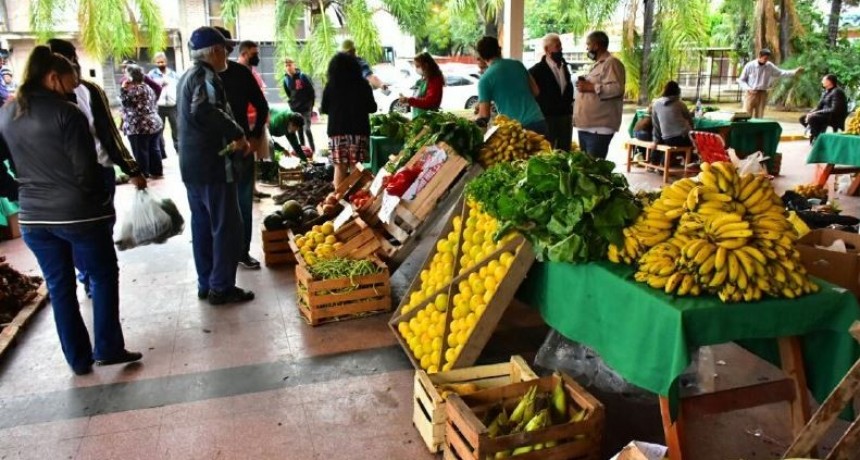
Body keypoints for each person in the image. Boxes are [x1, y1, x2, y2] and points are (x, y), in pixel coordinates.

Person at [0, 46, 142, 375]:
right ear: (53, 78)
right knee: (103, 275)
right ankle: (108, 348)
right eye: (70, 81)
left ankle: (78, 360)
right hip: (79, 215)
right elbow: (86, 171)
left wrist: (17, 191)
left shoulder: (7, 113)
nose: (73, 88)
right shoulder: (68, 113)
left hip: (34, 218)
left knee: (60, 287)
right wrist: (100, 202)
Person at [47, 38, 147, 298]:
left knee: (100, 231)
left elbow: (109, 134)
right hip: (60, 181)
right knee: (71, 237)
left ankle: (93, 275)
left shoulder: (89, 91)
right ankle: (88, 275)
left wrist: (131, 168)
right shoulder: (32, 102)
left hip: (98, 172)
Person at [177, 26, 254, 305]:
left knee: (203, 225)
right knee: (226, 226)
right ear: (215, 51)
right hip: (213, 165)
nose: (227, 56)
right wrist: (238, 133)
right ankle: (221, 287)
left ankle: (206, 282)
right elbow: (204, 111)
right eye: (225, 50)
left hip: (193, 166)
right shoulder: (205, 76)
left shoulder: (187, 76)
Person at [214, 28, 270, 270]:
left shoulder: (240, 73)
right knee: (218, 207)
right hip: (212, 155)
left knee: (242, 203)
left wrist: (255, 137)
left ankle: (241, 251)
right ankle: (222, 256)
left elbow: (262, 105)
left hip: (241, 150)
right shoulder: (198, 77)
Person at [320, 52, 377, 187]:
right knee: (356, 167)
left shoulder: (331, 85)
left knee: (339, 167)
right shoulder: (363, 85)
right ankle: (357, 198)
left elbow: (324, 109)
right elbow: (372, 107)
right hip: (358, 131)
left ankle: (337, 198)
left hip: (337, 132)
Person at [474, 36, 546, 134]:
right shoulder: (517, 64)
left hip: (516, 130)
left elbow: (484, 115)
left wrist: (475, 119)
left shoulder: (485, 79)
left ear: (482, 57)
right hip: (538, 120)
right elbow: (536, 91)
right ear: (499, 49)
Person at [573, 31, 626, 160]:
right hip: (587, 126)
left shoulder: (611, 63)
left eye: (588, 45)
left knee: (593, 167)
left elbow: (617, 89)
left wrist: (592, 87)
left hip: (598, 128)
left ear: (596, 45)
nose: (587, 49)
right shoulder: (598, 65)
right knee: (585, 168)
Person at [236, 40, 271, 201]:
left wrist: (265, 116)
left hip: (258, 120)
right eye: (254, 54)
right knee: (246, 156)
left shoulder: (253, 73)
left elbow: (261, 97)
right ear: (244, 54)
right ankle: (247, 192)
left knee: (255, 157)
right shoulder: (236, 72)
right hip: (246, 121)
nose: (257, 57)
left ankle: (254, 189)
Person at [529, 33, 574, 150]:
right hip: (547, 118)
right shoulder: (536, 71)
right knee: (548, 151)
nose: (561, 49)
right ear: (546, 49)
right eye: (557, 46)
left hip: (565, 116)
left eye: (561, 46)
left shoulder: (564, 67)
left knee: (565, 151)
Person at [120, 65, 164, 178]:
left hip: (139, 125)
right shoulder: (147, 87)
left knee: (141, 151)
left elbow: (126, 103)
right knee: (154, 149)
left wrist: (123, 89)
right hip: (154, 123)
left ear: (130, 77)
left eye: (126, 74)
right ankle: (156, 172)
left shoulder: (135, 90)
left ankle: (144, 174)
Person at [737, 49, 803, 118]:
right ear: (759, 56)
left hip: (762, 93)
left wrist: (794, 72)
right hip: (750, 93)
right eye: (765, 58)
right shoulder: (750, 65)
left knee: (759, 115)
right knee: (746, 113)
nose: (766, 60)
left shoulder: (769, 66)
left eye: (767, 59)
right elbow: (741, 80)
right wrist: (748, 88)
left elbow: (780, 72)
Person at [649, 81, 693, 166]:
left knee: (665, 140)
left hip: (667, 139)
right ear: (678, 91)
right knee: (695, 142)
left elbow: (656, 125)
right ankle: (690, 162)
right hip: (681, 138)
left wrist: (655, 141)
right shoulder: (680, 104)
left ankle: (656, 162)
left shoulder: (656, 104)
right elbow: (690, 120)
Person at [147, 52, 180, 154]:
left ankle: (179, 149)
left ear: (166, 61)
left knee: (176, 129)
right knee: (159, 130)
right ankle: (161, 152)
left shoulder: (173, 74)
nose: (160, 64)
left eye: (162, 62)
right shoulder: (151, 75)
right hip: (158, 106)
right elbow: (147, 89)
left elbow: (179, 89)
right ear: (155, 63)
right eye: (158, 62)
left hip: (173, 106)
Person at [800, 74, 848, 143]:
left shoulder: (837, 92)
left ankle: (818, 138)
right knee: (803, 118)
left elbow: (834, 109)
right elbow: (819, 106)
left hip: (833, 116)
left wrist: (815, 113)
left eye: (823, 80)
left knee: (812, 118)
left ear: (829, 82)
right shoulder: (826, 92)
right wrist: (810, 113)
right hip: (824, 115)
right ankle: (817, 134)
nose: (822, 81)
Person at [282, 57, 316, 155]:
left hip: (306, 108)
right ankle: (303, 153)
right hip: (295, 109)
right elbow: (289, 94)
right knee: (299, 131)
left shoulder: (302, 76)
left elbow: (311, 91)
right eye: (286, 65)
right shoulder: (286, 79)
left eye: (290, 65)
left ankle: (313, 150)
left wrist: (311, 106)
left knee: (307, 129)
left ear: (294, 65)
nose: (288, 67)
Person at [399, 52, 444, 117]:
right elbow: (416, 99)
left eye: (418, 66)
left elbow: (429, 102)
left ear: (426, 65)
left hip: (428, 119)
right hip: (417, 117)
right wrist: (406, 101)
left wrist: (409, 100)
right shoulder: (420, 81)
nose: (416, 69)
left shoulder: (435, 80)